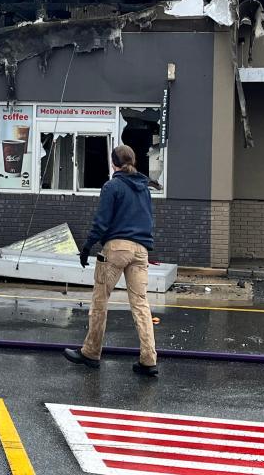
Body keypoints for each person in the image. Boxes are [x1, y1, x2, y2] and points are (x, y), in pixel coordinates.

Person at [63, 144, 159, 376]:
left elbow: (102, 221)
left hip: (116, 249)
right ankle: (148, 360)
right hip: (141, 251)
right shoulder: (144, 188)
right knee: (141, 305)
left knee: (100, 301)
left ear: (113, 163)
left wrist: (87, 247)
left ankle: (91, 353)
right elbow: (149, 219)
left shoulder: (112, 186)